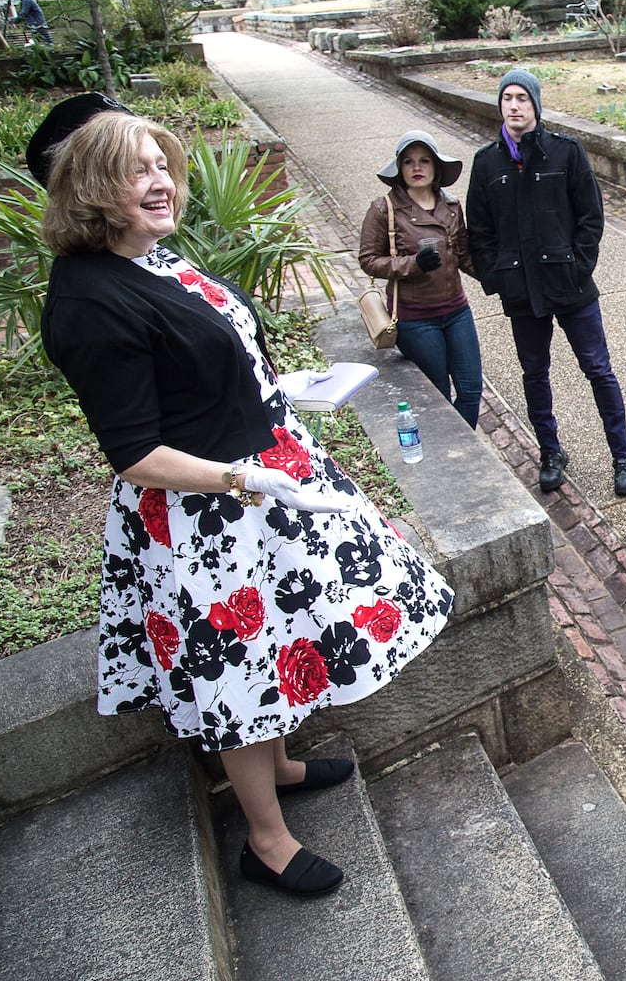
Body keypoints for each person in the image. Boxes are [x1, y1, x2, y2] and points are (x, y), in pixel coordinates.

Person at [31, 95, 454, 898]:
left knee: (282, 639)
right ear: (90, 185)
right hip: (205, 516)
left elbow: (208, 359)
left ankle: (284, 766)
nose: (160, 182)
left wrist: (276, 394)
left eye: (162, 165)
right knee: (241, 672)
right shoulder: (86, 298)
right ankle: (264, 839)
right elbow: (134, 453)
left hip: (258, 476)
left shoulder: (150, 253)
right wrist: (245, 476)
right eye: (136, 169)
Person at [466, 68, 626, 496]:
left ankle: (622, 454)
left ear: (536, 104)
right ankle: (550, 451)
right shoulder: (487, 162)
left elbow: (590, 217)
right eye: (507, 98)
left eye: (523, 97)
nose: (514, 105)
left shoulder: (566, 152)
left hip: (570, 285)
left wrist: (579, 266)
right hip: (522, 292)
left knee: (598, 370)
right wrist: (497, 279)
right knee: (534, 373)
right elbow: (479, 230)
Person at [359, 130, 482, 429]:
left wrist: (503, 277)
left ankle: (459, 446)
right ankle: (453, 453)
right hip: (416, 319)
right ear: (399, 169)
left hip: (456, 312)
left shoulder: (451, 206)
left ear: (436, 167)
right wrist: (413, 264)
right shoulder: (384, 208)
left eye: (425, 161)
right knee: (438, 395)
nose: (417, 168)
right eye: (409, 162)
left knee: (471, 390)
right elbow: (368, 260)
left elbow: (464, 255)